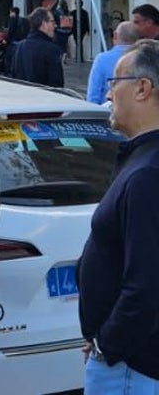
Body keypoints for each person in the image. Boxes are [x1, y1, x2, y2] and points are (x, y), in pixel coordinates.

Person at [77, 39, 159, 391]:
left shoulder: (147, 174)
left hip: (131, 366)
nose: (108, 94)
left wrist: (106, 344)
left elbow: (146, 284)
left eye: (115, 83)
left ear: (142, 88)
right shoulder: (141, 161)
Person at [87, 21, 140, 105]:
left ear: (115, 35)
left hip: (107, 112)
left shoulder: (102, 59)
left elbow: (93, 93)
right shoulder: (144, 59)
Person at [11, 7, 65, 87]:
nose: (55, 26)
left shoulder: (20, 46)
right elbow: (57, 84)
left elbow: (13, 75)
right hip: (44, 98)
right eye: (52, 22)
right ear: (44, 24)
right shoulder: (51, 49)